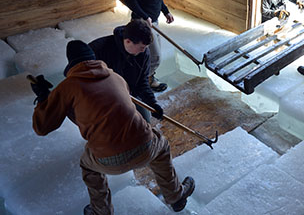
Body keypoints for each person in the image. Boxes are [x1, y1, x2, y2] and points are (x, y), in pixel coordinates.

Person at [30, 40, 195, 215]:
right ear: (93, 59)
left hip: (108, 160)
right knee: (161, 147)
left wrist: (43, 98)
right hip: (145, 147)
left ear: (71, 64)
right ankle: (176, 196)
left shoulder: (67, 87)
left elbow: (42, 127)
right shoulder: (116, 77)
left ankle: (101, 211)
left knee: (88, 167)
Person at [124, 0, 180, 92]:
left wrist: (166, 11)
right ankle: (146, 81)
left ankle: (146, 77)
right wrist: (144, 16)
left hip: (153, 22)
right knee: (156, 56)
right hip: (142, 24)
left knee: (149, 54)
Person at [89, 19, 163, 124]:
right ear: (128, 41)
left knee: (144, 121)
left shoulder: (143, 53)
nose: (144, 50)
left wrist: (152, 104)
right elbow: (75, 71)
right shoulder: (99, 49)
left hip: (130, 95)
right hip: (104, 98)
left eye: (145, 47)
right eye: (141, 47)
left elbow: (142, 82)